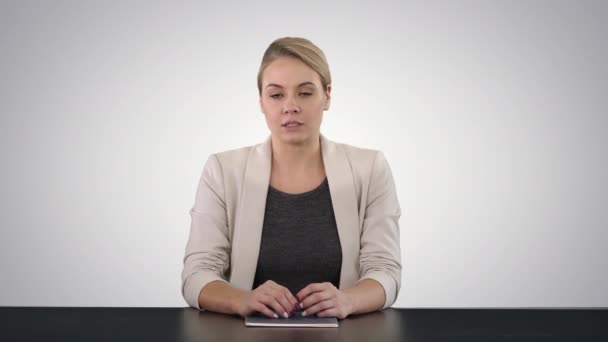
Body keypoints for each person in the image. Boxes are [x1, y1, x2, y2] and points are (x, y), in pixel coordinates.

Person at [181, 37, 401, 320]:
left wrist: (347, 300)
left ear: (328, 96)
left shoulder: (370, 168)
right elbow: (197, 274)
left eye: (305, 93)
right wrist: (242, 300)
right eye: (276, 95)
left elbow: (385, 271)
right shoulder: (223, 170)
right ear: (261, 100)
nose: (290, 106)